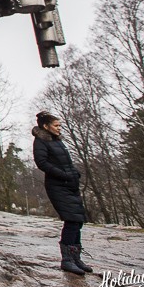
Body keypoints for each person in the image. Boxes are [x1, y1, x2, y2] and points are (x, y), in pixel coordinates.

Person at [32, 111, 92, 275]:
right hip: (57, 186)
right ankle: (66, 260)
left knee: (78, 220)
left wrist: (74, 172)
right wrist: (63, 175)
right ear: (46, 126)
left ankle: (76, 259)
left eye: (60, 125)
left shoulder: (57, 141)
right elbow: (42, 163)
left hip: (69, 184)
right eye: (56, 125)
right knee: (71, 220)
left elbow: (67, 162)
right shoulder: (40, 141)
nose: (60, 128)